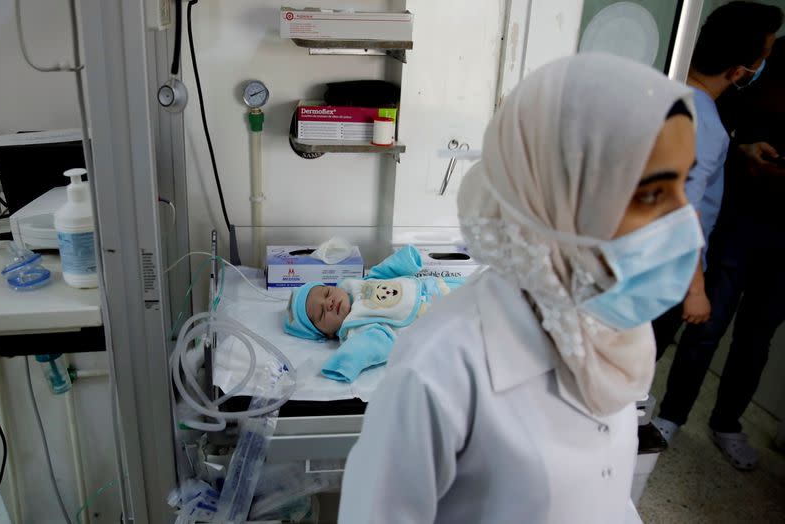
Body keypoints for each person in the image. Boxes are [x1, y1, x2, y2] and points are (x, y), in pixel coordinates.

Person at [336, 53, 700, 523]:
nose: (686, 222)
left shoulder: (612, 328)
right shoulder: (440, 370)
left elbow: (605, 489)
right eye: (651, 193)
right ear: (555, 197)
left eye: (685, 185)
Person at [653, 36, 785, 471]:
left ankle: (727, 422)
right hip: (737, 220)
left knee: (756, 338)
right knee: (705, 326)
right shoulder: (761, 66)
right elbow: (709, 149)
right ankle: (670, 416)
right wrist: (744, 153)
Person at [652, 1, 781, 359]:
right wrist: (695, 289)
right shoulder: (705, 124)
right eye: (763, 57)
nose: (762, 67)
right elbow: (682, 211)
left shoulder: (662, 90)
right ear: (739, 71)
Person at [283, 245, 464, 382]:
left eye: (327, 293)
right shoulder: (357, 327)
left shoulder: (358, 284)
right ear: (327, 334)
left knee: (483, 285)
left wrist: (406, 260)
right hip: (439, 318)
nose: (329, 304)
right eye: (322, 313)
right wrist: (344, 363)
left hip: (437, 285)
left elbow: (384, 272)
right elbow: (372, 345)